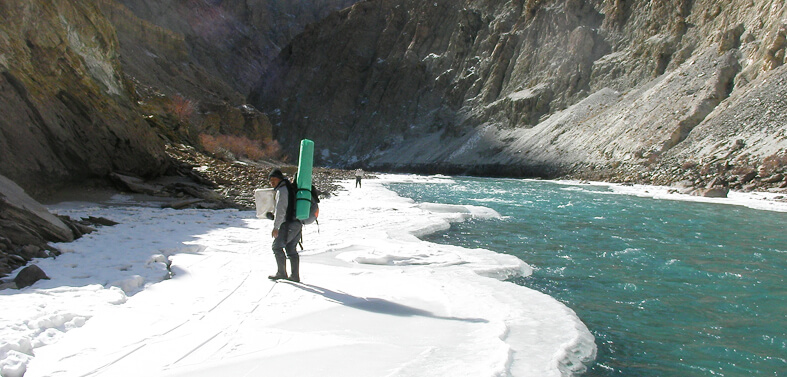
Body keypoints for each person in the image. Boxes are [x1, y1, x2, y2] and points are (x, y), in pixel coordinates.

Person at [267, 169, 302, 282]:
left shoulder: (282, 190)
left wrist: (276, 227)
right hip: (297, 223)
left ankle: (281, 273)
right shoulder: (289, 188)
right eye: (270, 180)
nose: (272, 182)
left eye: (274, 179)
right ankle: (294, 276)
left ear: (280, 179)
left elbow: (281, 210)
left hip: (288, 225)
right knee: (291, 248)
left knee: (277, 247)